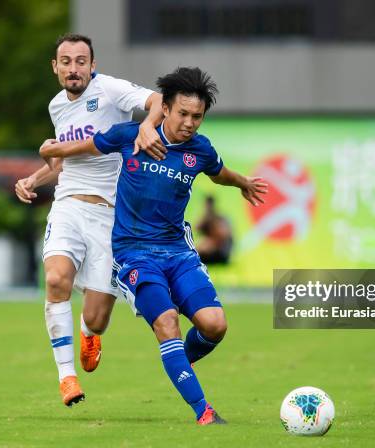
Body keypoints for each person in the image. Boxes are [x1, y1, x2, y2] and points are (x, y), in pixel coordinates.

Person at [39, 67, 268, 424]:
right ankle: (203, 411)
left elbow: (219, 172)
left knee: (215, 325)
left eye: (198, 116)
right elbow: (87, 146)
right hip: (133, 255)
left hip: (178, 252)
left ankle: (179, 360)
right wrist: (52, 148)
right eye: (183, 114)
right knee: (167, 323)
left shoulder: (201, 150)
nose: (190, 122)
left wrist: (242, 183)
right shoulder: (130, 135)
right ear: (167, 108)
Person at [14, 33, 167, 407]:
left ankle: (87, 332)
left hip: (111, 216)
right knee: (55, 278)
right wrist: (35, 178)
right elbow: (64, 160)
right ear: (55, 67)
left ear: (92, 65)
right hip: (67, 205)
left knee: (97, 318)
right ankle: (67, 377)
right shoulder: (56, 107)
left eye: (81, 61)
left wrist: (148, 125)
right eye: (66, 61)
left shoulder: (111, 90)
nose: (73, 68)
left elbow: (159, 100)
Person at [196, 195, 233, 264]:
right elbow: (197, 228)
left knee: (204, 245)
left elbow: (224, 235)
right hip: (210, 249)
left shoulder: (219, 218)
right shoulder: (206, 218)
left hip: (221, 250)